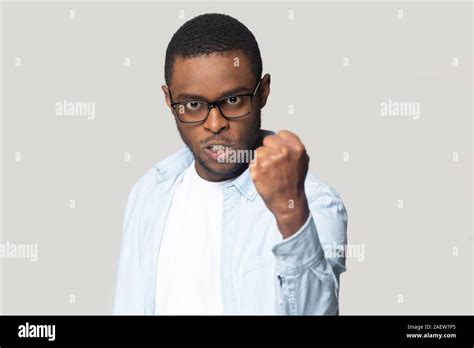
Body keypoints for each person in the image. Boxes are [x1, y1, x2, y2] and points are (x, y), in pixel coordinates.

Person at [113, 13, 348, 315]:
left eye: (233, 100)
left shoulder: (315, 202)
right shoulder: (149, 191)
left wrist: (291, 214)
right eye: (193, 105)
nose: (214, 124)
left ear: (262, 92)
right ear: (168, 100)